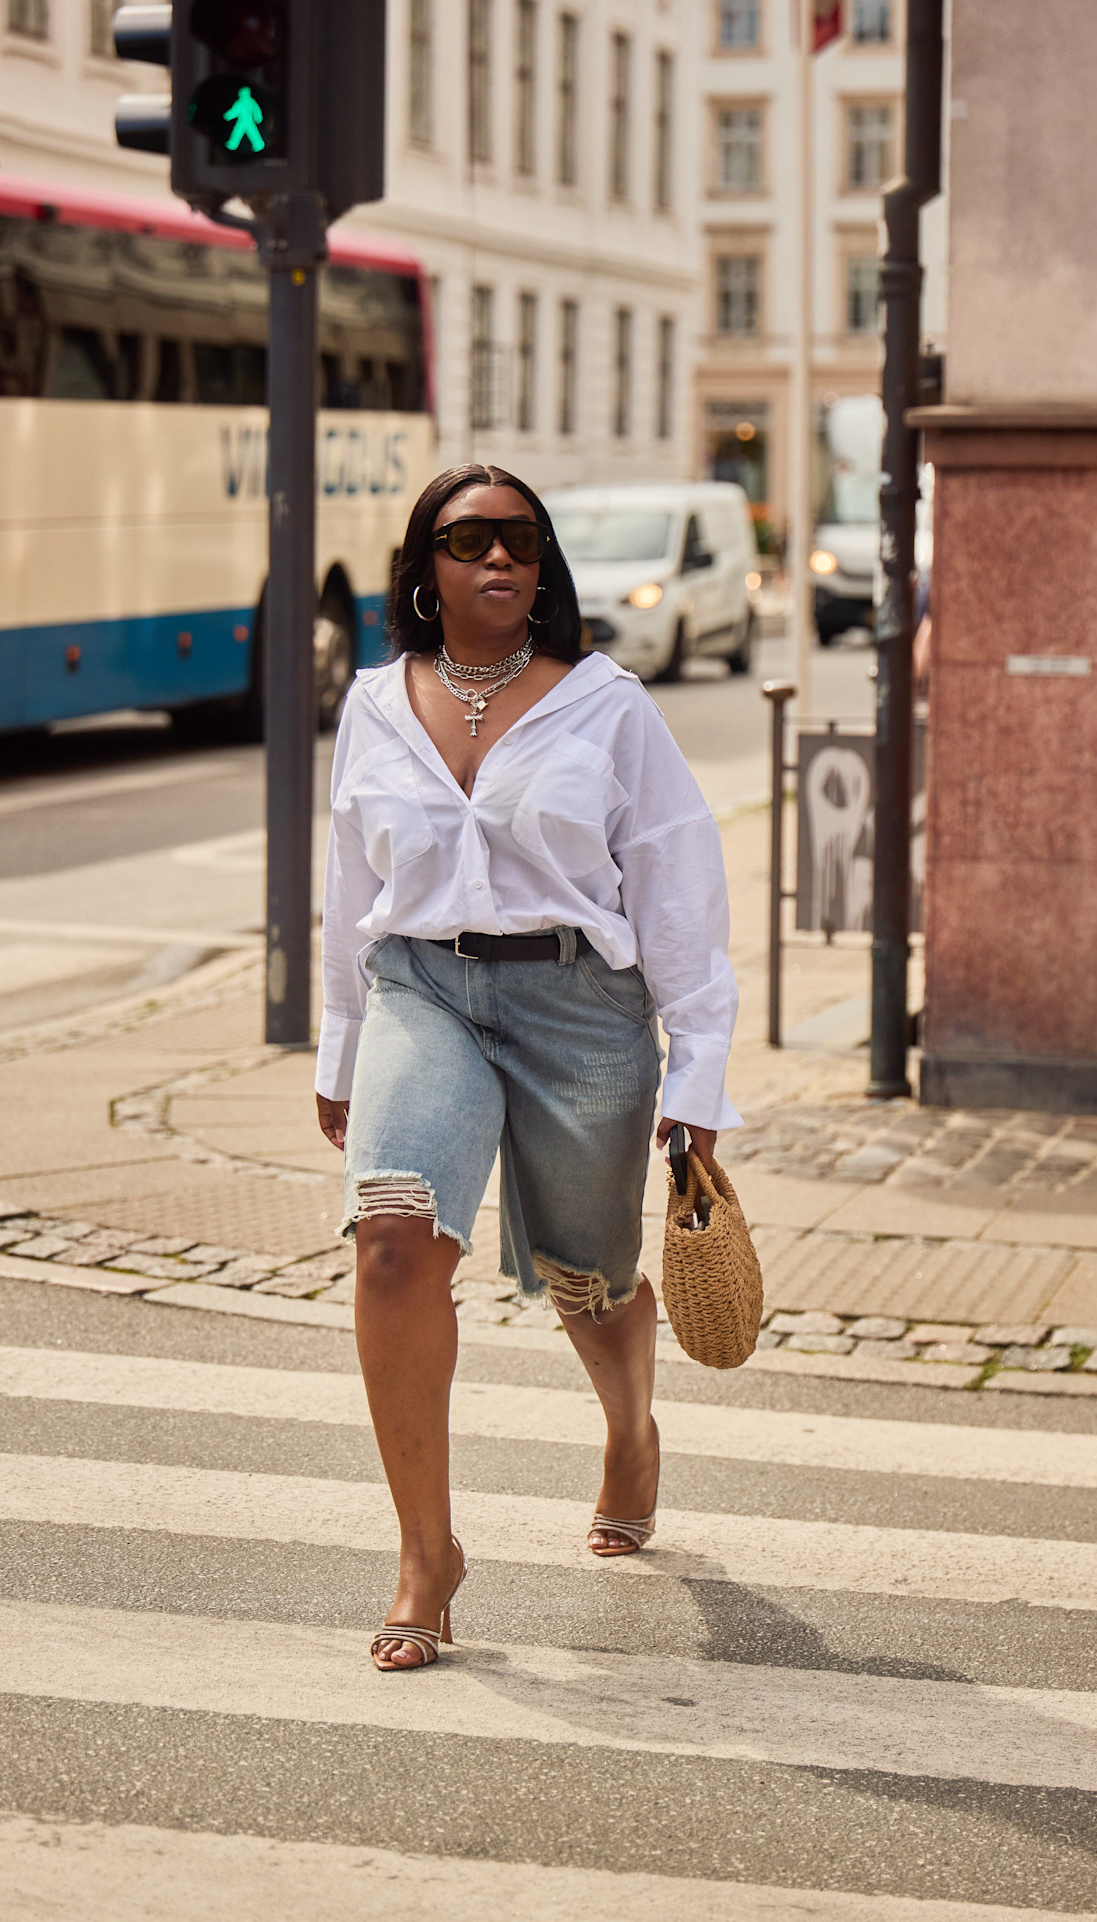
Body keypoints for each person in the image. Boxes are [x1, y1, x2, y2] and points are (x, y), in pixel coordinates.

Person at [314, 463, 740, 1672]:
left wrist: (698, 1084)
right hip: (422, 989)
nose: (498, 558)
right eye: (467, 539)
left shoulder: (608, 706)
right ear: (424, 569)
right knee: (392, 1237)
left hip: (580, 1005)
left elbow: (677, 886)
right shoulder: (375, 704)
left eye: (519, 539)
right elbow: (350, 887)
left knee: (587, 1279)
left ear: (543, 566)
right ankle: (425, 1555)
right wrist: (341, 1045)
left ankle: (631, 1432)